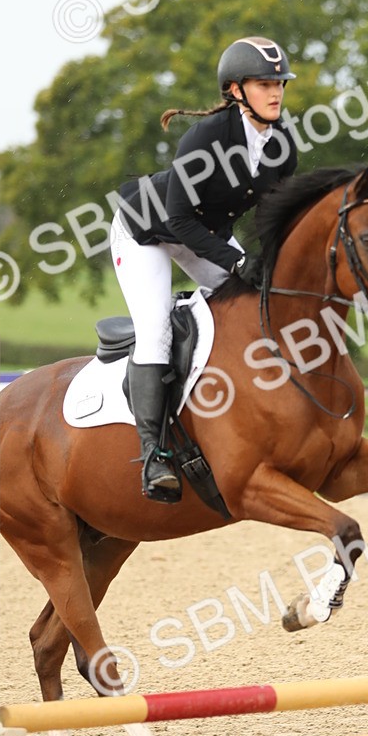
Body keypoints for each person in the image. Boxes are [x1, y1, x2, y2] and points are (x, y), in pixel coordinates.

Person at [110, 35, 298, 502]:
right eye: (263, 83)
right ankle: (154, 455)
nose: (275, 92)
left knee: (257, 306)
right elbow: (176, 220)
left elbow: (274, 221)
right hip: (146, 231)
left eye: (279, 83)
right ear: (235, 90)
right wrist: (236, 260)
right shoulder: (206, 138)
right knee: (154, 330)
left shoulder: (282, 146)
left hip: (204, 233)